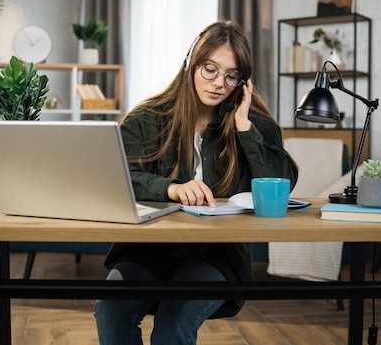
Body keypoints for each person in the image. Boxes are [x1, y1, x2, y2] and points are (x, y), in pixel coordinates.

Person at [94, 20, 298, 345]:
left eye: (232, 75)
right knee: (111, 309)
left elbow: (282, 182)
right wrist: (171, 188)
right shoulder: (147, 118)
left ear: (242, 82)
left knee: (174, 320)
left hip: (215, 255)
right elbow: (116, 177)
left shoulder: (252, 124)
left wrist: (245, 128)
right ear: (191, 64)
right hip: (148, 250)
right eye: (210, 69)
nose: (219, 83)